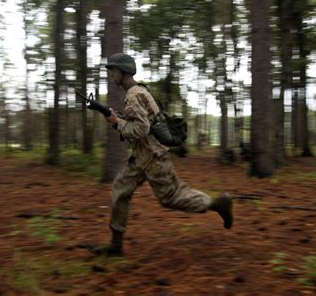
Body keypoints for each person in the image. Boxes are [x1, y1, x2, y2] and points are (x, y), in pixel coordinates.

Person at [88, 53, 233, 256]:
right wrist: (117, 118)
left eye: (113, 70)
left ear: (123, 72)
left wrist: (117, 122)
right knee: (120, 190)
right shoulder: (140, 91)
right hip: (141, 156)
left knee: (171, 196)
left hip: (153, 158)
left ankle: (216, 204)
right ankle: (115, 244)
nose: (111, 74)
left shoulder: (132, 96)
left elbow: (141, 129)